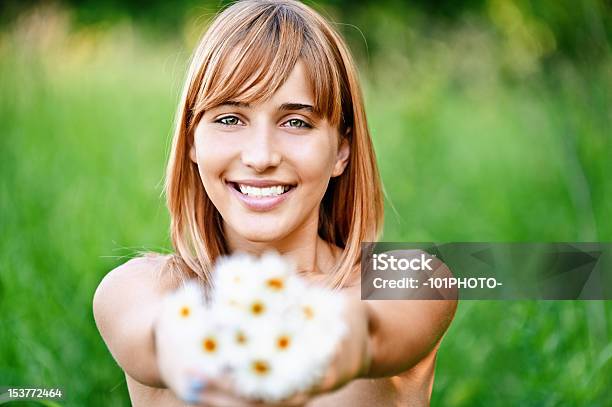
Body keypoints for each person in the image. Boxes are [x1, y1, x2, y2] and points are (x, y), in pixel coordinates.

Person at [93, 0, 457, 405]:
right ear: (192, 140)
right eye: (230, 118)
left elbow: (370, 331)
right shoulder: (140, 288)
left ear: (341, 149)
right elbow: (160, 344)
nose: (261, 156)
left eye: (296, 122)